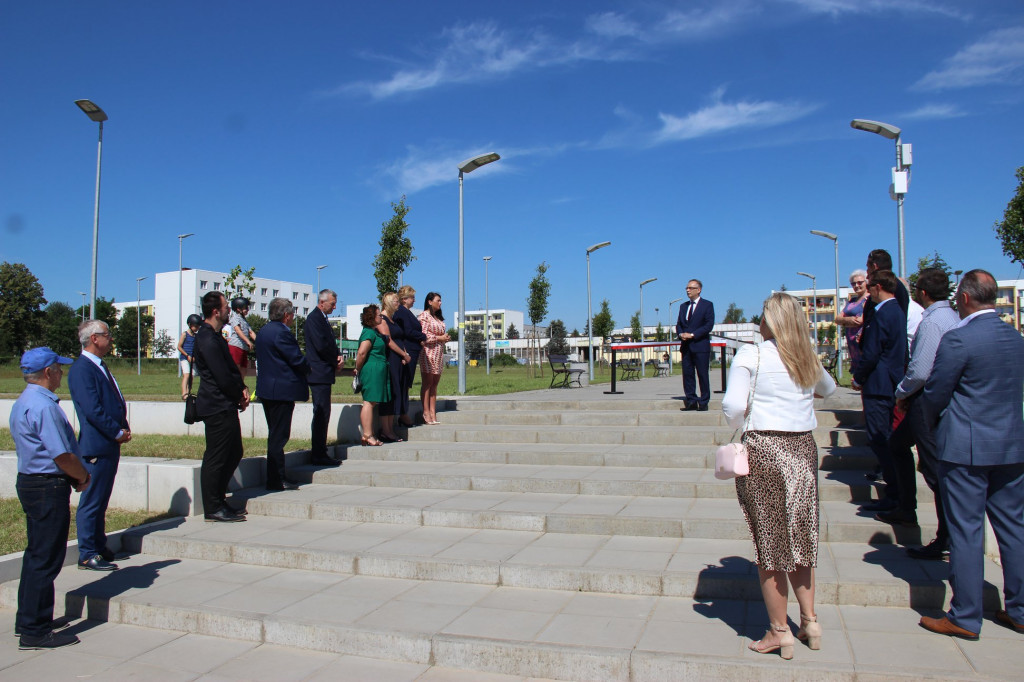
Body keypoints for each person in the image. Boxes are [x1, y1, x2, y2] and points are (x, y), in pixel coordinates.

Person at [723, 293, 836, 659]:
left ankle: (778, 631)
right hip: (803, 450)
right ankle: (810, 621)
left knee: (771, 544)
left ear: (769, 320)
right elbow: (829, 389)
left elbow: (732, 405)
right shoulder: (805, 356)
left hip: (766, 451)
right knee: (802, 538)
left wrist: (740, 425)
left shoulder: (751, 355)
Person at [919, 269, 1024, 640]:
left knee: (966, 531)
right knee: (1014, 528)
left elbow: (935, 393)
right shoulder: (1015, 338)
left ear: (963, 298)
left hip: (965, 450)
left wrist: (930, 427)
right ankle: (1020, 609)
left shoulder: (959, 340)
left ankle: (965, 616)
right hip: (1011, 447)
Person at [10, 347, 90, 650]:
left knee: (36, 555)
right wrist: (81, 476)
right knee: (46, 558)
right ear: (48, 372)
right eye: (59, 368)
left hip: (31, 482)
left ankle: (28, 619)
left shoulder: (25, 401)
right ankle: (35, 630)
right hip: (47, 486)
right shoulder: (43, 406)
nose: (61, 372)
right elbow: (62, 455)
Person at [882, 268, 959, 555]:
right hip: (940, 401)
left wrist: (901, 393)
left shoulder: (932, 322)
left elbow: (921, 370)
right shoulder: (952, 317)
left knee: (934, 469)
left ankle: (945, 536)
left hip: (926, 403)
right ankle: (906, 508)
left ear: (922, 293)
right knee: (898, 444)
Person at [68, 319, 130, 572]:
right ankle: (87, 553)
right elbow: (93, 409)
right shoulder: (82, 369)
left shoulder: (99, 365)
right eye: (107, 335)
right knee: (92, 500)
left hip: (108, 444)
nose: (111, 339)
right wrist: (115, 431)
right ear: (94, 338)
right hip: (97, 445)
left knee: (102, 498)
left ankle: (98, 544)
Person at [852, 269, 907, 513]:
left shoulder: (882, 313)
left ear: (877, 287)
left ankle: (894, 493)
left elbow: (873, 351)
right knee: (885, 438)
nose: (868, 292)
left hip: (878, 384)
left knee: (879, 439)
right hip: (891, 381)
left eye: (870, 287)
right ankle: (896, 493)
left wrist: (859, 376)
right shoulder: (897, 311)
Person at [194, 291, 250, 522]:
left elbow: (229, 370)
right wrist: (238, 392)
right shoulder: (206, 338)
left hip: (224, 403)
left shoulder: (215, 336)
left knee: (234, 451)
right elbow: (220, 375)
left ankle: (219, 499)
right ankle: (213, 506)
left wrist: (242, 387)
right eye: (226, 306)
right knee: (217, 456)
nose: (230, 309)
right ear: (216, 311)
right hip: (216, 405)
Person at [255, 297, 310, 491]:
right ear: (286, 315)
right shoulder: (281, 333)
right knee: (279, 436)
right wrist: (309, 367)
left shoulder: (263, 331)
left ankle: (276, 477)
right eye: (292, 314)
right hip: (281, 391)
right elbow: (296, 359)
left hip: (267, 389)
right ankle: (276, 479)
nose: (293, 318)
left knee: (275, 435)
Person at [303, 289, 343, 467]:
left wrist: (338, 354)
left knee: (324, 413)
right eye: (332, 303)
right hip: (318, 372)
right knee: (320, 413)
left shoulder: (322, 319)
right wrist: (334, 360)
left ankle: (321, 451)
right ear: (322, 302)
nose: (335, 307)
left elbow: (329, 343)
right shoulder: (314, 319)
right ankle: (318, 453)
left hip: (324, 372)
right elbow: (320, 345)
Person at [354, 304, 403, 446]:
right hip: (372, 369)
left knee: (373, 401)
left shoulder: (374, 332)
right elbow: (362, 353)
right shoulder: (368, 333)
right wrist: (358, 368)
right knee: (369, 402)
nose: (381, 317)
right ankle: (368, 434)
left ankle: (369, 434)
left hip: (378, 368)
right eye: (378, 315)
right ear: (371, 317)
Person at [675, 279, 715, 411]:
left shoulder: (707, 305)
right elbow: (679, 324)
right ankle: (691, 400)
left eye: (691, 288)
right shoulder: (683, 306)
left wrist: (692, 335)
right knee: (688, 375)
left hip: (700, 346)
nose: (688, 290)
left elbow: (708, 325)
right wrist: (681, 334)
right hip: (686, 347)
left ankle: (703, 402)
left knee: (702, 374)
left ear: (699, 290)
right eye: (686, 288)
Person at [377, 292, 412, 442]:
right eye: (397, 301)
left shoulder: (393, 319)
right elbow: (389, 341)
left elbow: (399, 339)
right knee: (390, 392)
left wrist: (405, 354)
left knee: (396, 392)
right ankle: (386, 430)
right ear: (390, 302)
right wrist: (403, 355)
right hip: (391, 358)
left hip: (399, 359)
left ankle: (390, 429)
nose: (399, 304)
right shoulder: (383, 319)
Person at [394, 285, 427, 427]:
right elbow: (407, 331)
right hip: (409, 351)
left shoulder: (407, 312)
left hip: (413, 350)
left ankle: (403, 412)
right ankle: (402, 413)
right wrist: (423, 336)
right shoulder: (402, 312)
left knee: (407, 382)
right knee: (405, 382)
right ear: (404, 299)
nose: (414, 300)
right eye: (412, 297)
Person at [418, 292, 450, 425]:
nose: (440, 303)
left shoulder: (438, 318)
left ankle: (433, 411)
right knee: (427, 382)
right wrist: (439, 338)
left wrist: (445, 339)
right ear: (430, 302)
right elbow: (424, 336)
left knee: (434, 384)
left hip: (438, 353)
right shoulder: (424, 316)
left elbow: (439, 334)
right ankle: (425, 412)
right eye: (438, 300)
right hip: (428, 352)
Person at [834, 270, 868, 375]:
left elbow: (860, 321)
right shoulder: (852, 301)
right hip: (852, 345)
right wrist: (848, 320)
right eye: (853, 283)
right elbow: (837, 319)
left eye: (860, 282)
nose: (856, 286)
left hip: (862, 342)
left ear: (866, 282)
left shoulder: (869, 299)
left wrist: (844, 321)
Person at [177, 314, 202, 400]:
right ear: (190, 325)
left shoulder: (196, 336)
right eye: (196, 326)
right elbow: (179, 346)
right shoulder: (185, 334)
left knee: (192, 375)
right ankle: (184, 393)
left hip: (193, 359)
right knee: (186, 375)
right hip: (185, 358)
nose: (197, 328)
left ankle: (189, 391)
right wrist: (187, 355)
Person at [227, 297, 256, 372]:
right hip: (236, 346)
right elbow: (238, 330)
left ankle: (241, 383)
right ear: (238, 309)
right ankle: (235, 384)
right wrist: (248, 341)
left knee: (243, 369)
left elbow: (251, 332)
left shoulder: (244, 320)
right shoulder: (235, 318)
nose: (247, 310)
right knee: (236, 368)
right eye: (245, 308)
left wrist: (259, 341)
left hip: (243, 347)